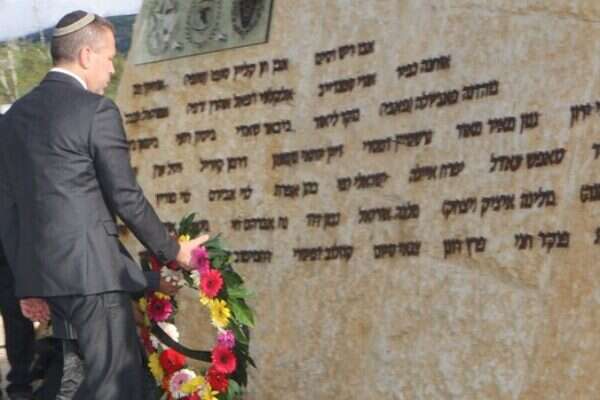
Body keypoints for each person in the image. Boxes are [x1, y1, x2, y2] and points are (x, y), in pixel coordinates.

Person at [0, 10, 207, 400]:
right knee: (116, 387)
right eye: (110, 57)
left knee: (73, 383)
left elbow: (8, 211)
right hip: (95, 281)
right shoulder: (97, 111)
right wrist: (172, 251)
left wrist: (26, 287)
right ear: (86, 55)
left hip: (48, 283)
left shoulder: (11, 120)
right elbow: (125, 196)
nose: (112, 69)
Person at [0, 240, 35, 400]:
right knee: (17, 319)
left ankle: (20, 381)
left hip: (9, 250)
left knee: (17, 316)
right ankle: (20, 382)